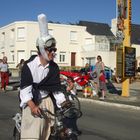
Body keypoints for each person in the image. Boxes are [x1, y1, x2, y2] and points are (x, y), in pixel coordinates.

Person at [20, 14, 68, 140]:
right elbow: (25, 91)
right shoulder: (29, 66)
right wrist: (32, 106)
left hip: (47, 100)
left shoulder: (54, 67)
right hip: (32, 101)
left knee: (47, 134)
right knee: (33, 134)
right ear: (41, 50)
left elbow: (55, 88)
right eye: (49, 49)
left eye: (54, 49)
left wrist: (63, 101)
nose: (53, 52)